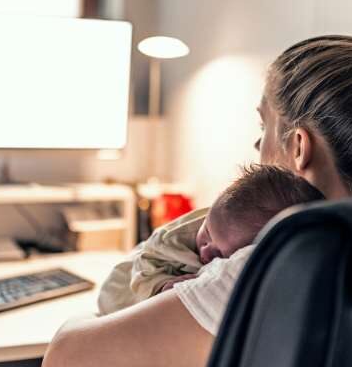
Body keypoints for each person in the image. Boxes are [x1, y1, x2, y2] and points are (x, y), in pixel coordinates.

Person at [42, 35, 352, 367]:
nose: (257, 143)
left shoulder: (271, 265)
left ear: (299, 148)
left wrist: (86, 316)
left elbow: (66, 356)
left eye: (265, 126)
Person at [98, 164, 324, 316]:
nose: (205, 251)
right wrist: (160, 286)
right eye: (206, 235)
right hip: (121, 288)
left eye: (218, 255)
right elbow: (146, 263)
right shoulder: (179, 237)